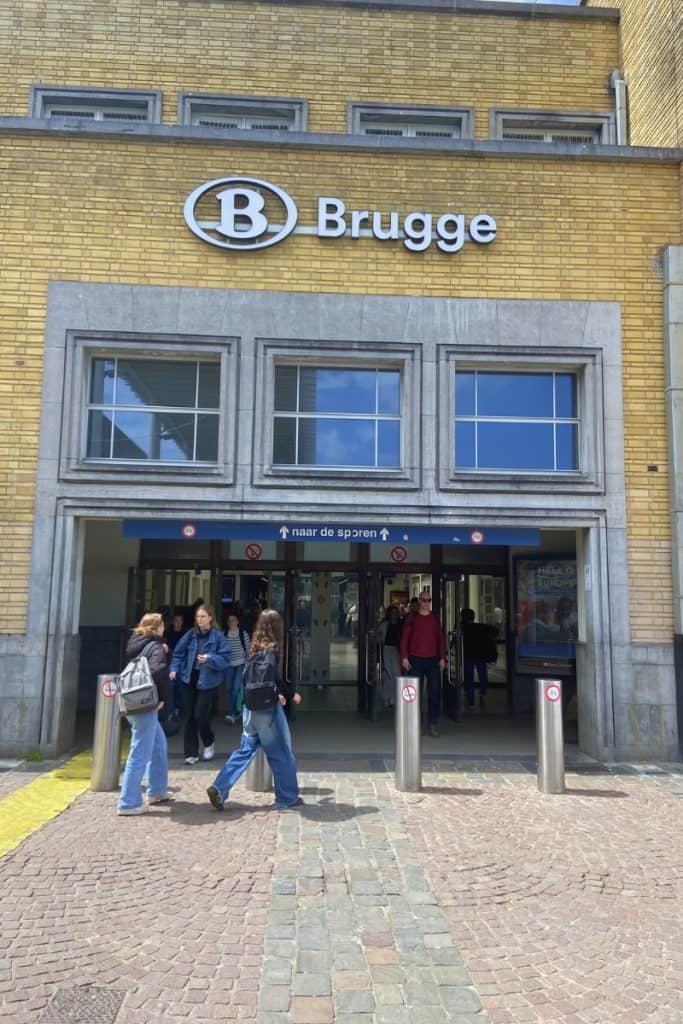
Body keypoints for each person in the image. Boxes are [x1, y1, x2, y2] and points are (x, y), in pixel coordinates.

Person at [206, 609, 303, 811]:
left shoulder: (254, 647)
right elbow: (277, 678)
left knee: (245, 750)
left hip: (250, 707)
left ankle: (219, 787)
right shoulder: (274, 648)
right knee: (280, 752)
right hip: (267, 710)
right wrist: (289, 693)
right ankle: (287, 797)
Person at [117, 612, 173, 816]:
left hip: (133, 701)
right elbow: (158, 670)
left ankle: (157, 790)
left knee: (158, 745)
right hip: (146, 704)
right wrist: (162, 698)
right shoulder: (156, 646)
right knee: (139, 753)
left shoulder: (136, 644)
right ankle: (128, 802)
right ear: (157, 627)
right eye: (163, 625)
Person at [169, 605, 230, 765]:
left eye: (203, 616)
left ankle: (208, 741)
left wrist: (209, 659)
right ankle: (191, 753)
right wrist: (174, 669)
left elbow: (225, 660)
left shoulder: (218, 637)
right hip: (189, 678)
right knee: (189, 716)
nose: (200, 620)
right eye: (198, 617)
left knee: (200, 715)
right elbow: (178, 653)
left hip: (208, 681)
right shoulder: (190, 635)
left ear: (210, 618)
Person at [399, 590, 446, 737]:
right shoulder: (412, 618)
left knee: (434, 693)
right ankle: (415, 725)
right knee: (414, 694)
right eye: (424, 600)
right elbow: (404, 639)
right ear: (419, 601)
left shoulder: (434, 619)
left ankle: (432, 724)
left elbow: (440, 639)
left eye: (429, 600)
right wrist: (404, 657)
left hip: (432, 660)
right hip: (415, 659)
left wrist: (442, 658)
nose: (426, 603)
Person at [460, 608, 498, 711]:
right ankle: (483, 692)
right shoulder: (481, 627)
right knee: (482, 674)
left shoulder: (462, 627)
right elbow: (495, 631)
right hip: (480, 656)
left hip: (468, 656)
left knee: (469, 678)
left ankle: (471, 701)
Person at [224, 612, 251, 725]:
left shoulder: (242, 633)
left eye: (233, 620)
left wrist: (248, 663)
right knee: (229, 689)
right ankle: (235, 711)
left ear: (237, 622)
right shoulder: (224, 634)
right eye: (229, 620)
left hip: (240, 663)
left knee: (235, 689)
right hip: (228, 664)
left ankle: (231, 714)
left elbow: (249, 648)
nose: (231, 622)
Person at [379, 605, 402, 708]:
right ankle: (386, 698)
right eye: (392, 612)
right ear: (389, 614)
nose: (394, 615)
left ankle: (394, 698)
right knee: (387, 674)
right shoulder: (384, 624)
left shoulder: (401, 624)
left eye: (396, 612)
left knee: (396, 674)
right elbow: (379, 639)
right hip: (387, 649)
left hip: (397, 650)